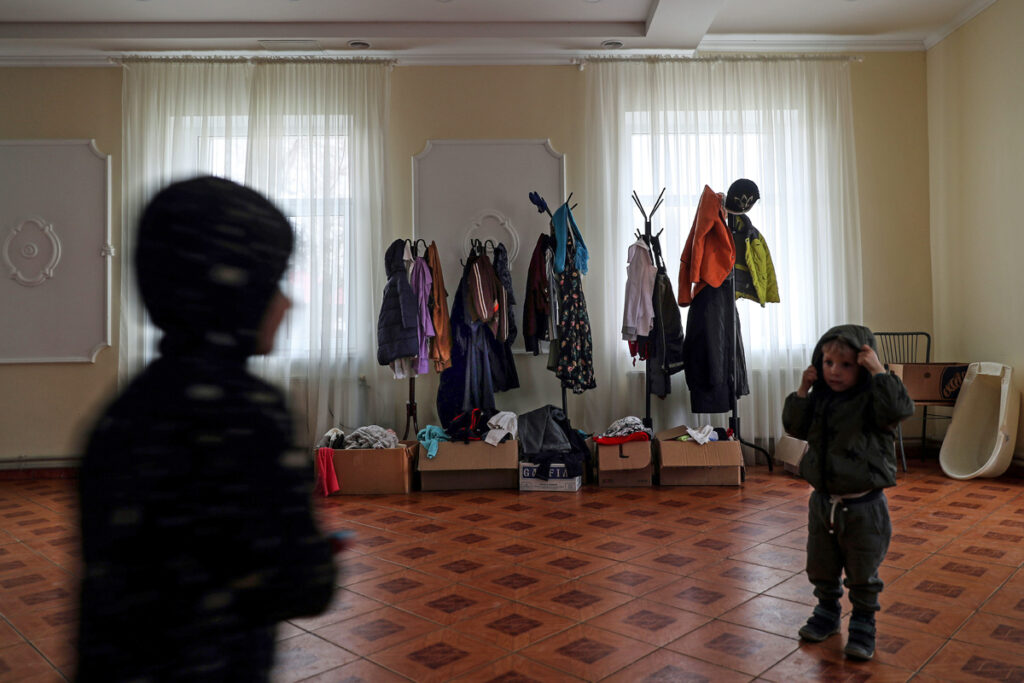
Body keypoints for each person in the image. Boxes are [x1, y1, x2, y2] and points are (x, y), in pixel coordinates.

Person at [76, 177, 337, 681]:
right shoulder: (251, 413)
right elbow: (302, 582)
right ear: (233, 289)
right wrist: (321, 555)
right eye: (273, 282)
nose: (288, 303)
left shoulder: (122, 413)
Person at [782, 324, 914, 661]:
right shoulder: (820, 399)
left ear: (863, 365)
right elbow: (794, 427)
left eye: (845, 365)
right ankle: (827, 613)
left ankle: (863, 624)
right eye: (827, 363)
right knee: (821, 565)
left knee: (862, 571)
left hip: (864, 507)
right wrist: (803, 389)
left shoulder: (875, 401)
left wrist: (879, 371)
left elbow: (899, 410)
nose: (834, 372)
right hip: (822, 503)